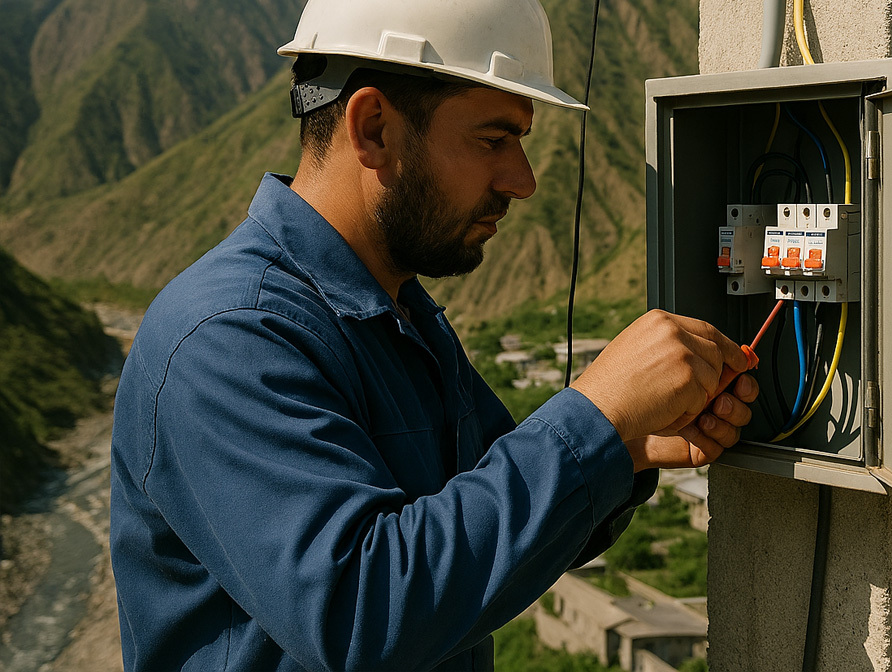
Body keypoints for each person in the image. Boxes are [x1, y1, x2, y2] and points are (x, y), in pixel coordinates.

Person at [109, 0, 758, 669]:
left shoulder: (396, 316)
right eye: (493, 140)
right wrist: (597, 416)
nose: (523, 181)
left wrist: (625, 451)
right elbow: (363, 611)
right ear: (374, 129)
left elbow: (480, 536)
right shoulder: (231, 336)